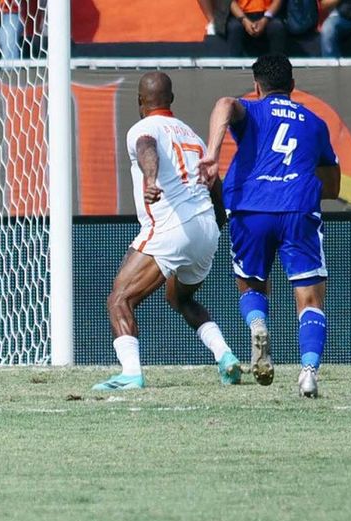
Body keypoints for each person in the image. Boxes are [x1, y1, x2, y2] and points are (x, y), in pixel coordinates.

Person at [199, 54, 341, 398]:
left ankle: (258, 325)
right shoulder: (315, 122)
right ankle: (308, 373)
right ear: (293, 87)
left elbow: (224, 103)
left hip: (251, 206)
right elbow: (334, 187)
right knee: (310, 298)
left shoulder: (253, 110)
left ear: (256, 86)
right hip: (297, 207)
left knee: (251, 286)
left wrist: (214, 154)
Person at [92, 72, 242, 392]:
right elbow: (215, 184)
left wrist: (151, 180)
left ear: (140, 102)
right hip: (206, 229)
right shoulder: (194, 137)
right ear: (171, 99)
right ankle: (225, 355)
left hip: (172, 226)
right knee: (180, 297)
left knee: (119, 299)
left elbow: (148, 148)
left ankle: (131, 373)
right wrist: (218, 223)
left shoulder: (142, 129)